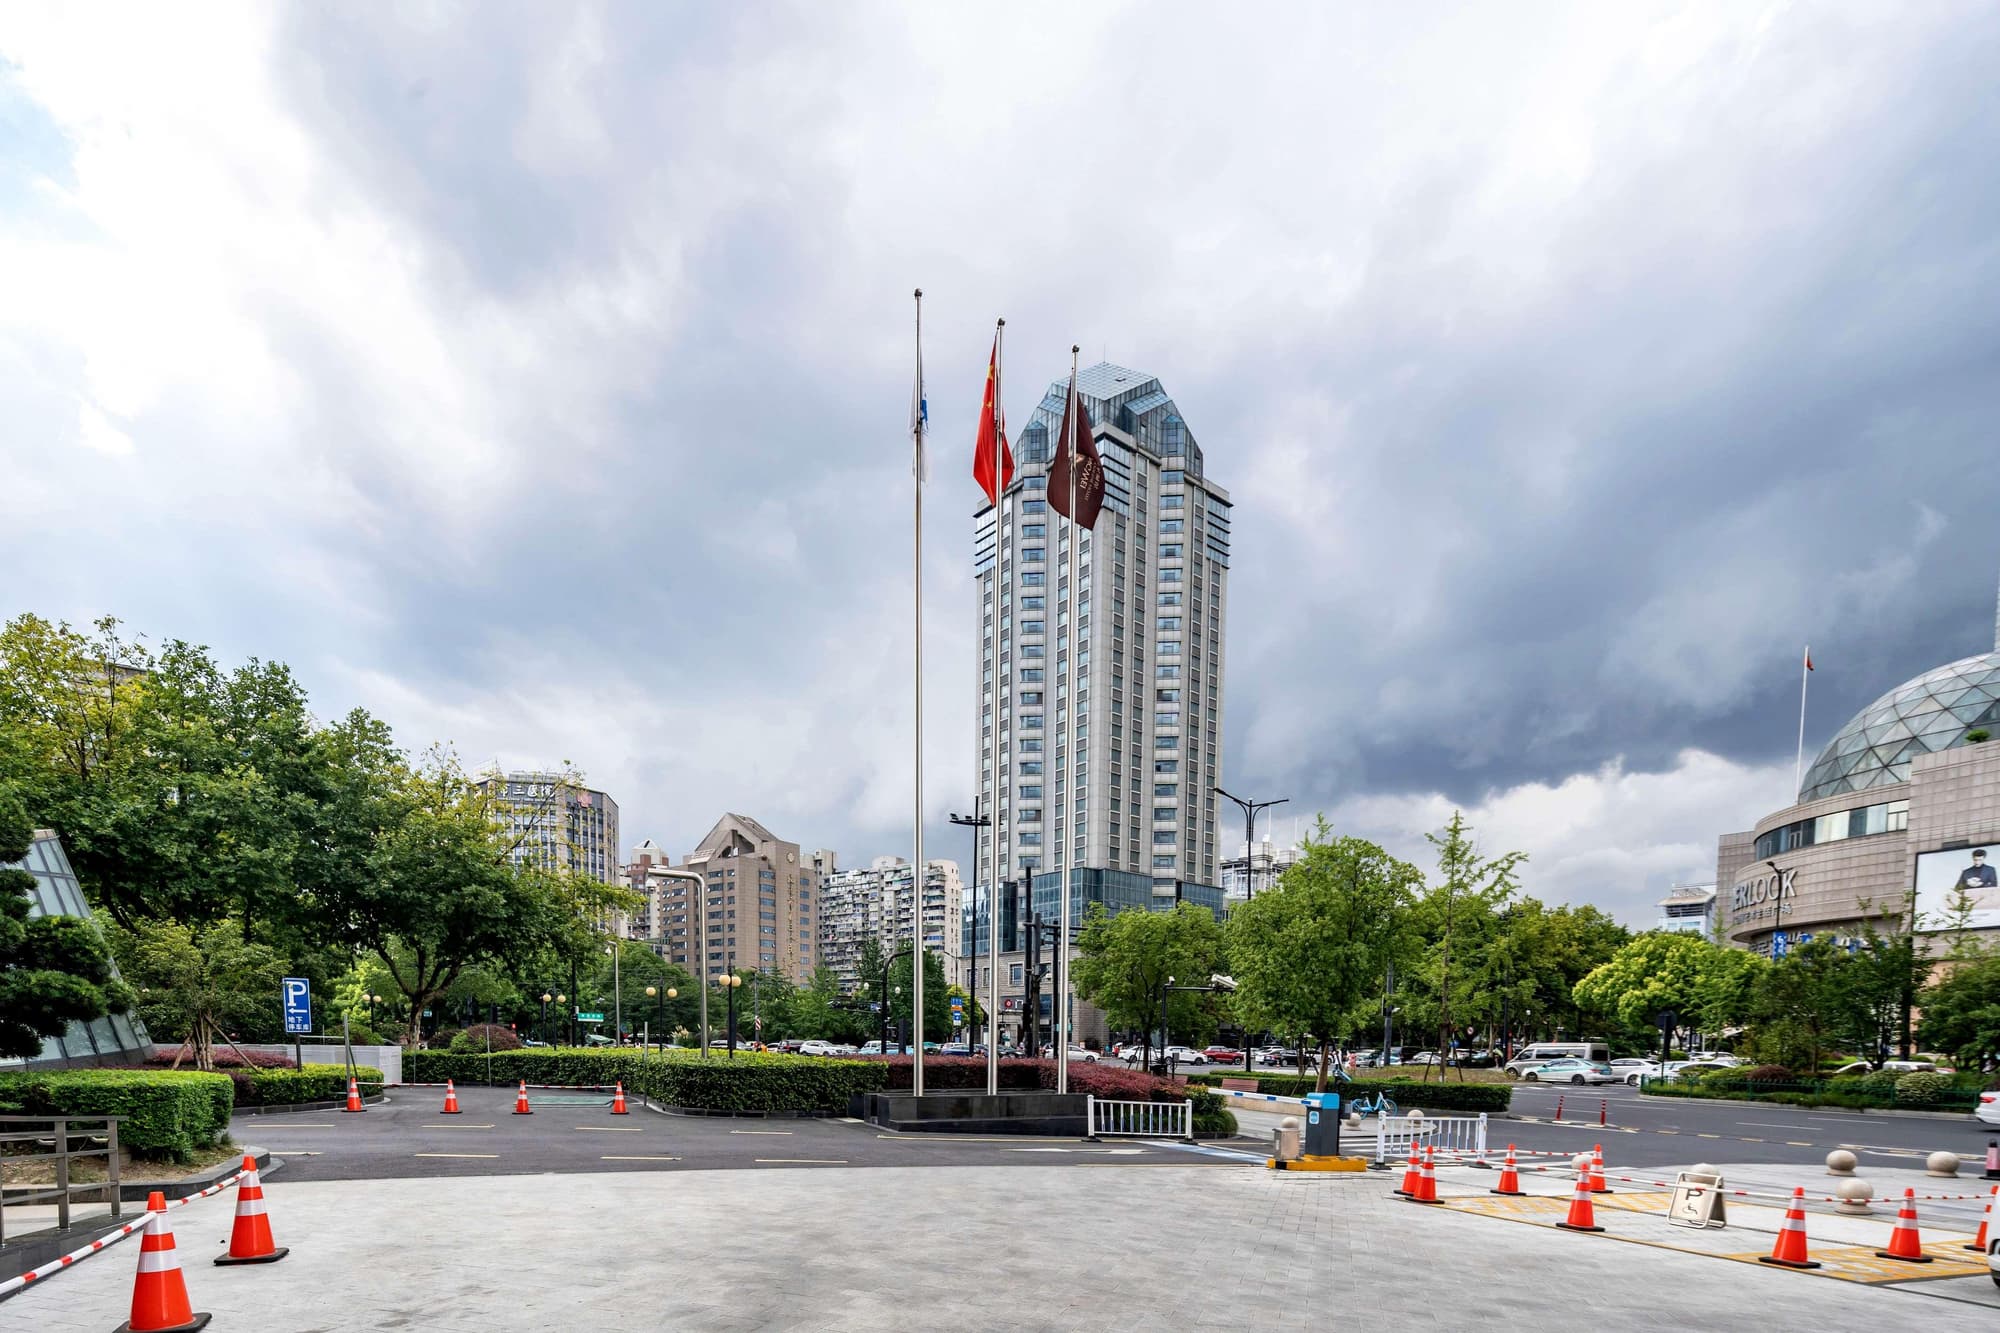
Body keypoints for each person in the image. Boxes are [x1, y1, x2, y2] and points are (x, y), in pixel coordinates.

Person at [1951, 848, 2000, 913]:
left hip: (1986, 903)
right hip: (1969, 905)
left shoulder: (1990, 870)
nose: (1977, 862)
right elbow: (1957, 888)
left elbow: (1994, 885)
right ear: (1972, 858)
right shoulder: (1966, 872)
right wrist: (1967, 884)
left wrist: (1982, 884)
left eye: (1980, 860)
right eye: (1975, 860)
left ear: (1984, 858)